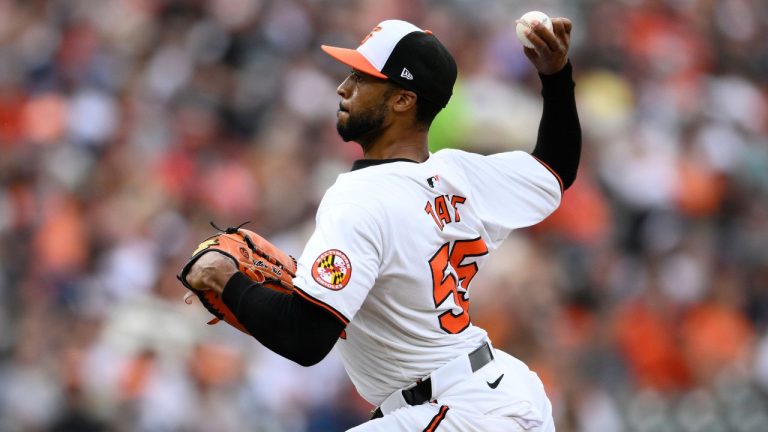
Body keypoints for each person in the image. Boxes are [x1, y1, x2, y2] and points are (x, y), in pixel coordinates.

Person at [185, 16, 579, 432]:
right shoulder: (462, 175)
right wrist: (556, 77)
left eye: (362, 77)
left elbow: (305, 338)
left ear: (403, 101)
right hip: (492, 395)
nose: (344, 87)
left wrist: (224, 278)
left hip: (458, 409)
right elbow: (556, 167)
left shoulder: (360, 197)